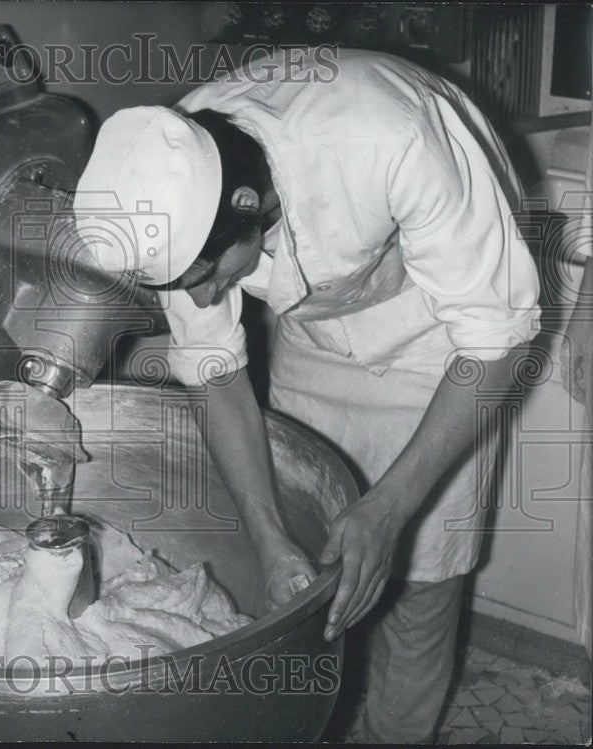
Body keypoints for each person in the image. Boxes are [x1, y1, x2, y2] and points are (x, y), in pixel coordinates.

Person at [72, 48, 541, 743]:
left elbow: (497, 340)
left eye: (207, 276)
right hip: (317, 330)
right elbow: (213, 369)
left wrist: (388, 510)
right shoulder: (177, 179)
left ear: (247, 204)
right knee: (311, 558)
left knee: (422, 578)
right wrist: (267, 539)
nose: (203, 297)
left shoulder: (388, 135)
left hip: (443, 332)